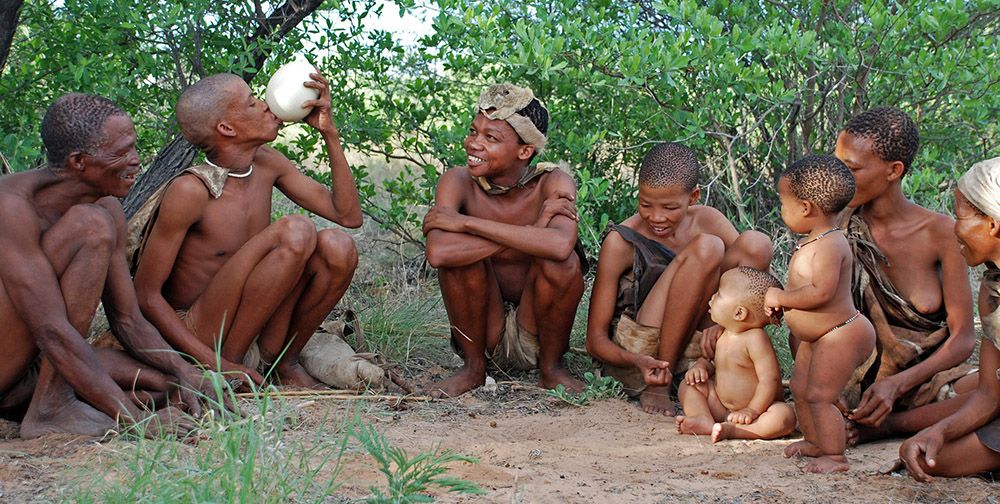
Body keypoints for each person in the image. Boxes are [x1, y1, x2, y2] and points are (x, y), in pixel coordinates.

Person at [132, 71, 361, 389]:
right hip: (202, 334)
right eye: (253, 103)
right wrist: (216, 363)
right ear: (226, 128)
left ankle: (283, 364)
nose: (267, 105)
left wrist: (329, 132)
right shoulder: (191, 190)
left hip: (256, 322)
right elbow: (146, 296)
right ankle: (234, 370)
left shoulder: (267, 163)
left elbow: (348, 215)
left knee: (339, 246)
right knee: (296, 230)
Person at [0, 94, 210, 439]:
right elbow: (51, 330)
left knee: (168, 385)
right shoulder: (12, 207)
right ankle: (52, 408)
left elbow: (127, 319)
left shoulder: (107, 207)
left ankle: (56, 402)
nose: (136, 160)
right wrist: (137, 422)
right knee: (90, 225)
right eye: (123, 151)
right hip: (12, 362)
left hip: (35, 367)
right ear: (79, 161)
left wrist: (185, 370)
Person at [585, 142, 772, 415]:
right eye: (645, 204)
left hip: (698, 339)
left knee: (756, 243)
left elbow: (751, 284)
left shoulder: (708, 219)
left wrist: (724, 325)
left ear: (693, 196)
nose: (656, 217)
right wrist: (636, 360)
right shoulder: (620, 240)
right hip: (645, 349)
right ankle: (661, 382)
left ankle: (722, 361)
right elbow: (595, 339)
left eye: (670, 207)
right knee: (708, 248)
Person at [422, 83, 584, 398]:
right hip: (485, 330)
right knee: (460, 260)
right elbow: (439, 253)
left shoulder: (553, 182)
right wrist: (533, 229)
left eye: (491, 138)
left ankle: (551, 369)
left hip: (534, 330)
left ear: (525, 151)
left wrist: (466, 223)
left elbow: (560, 246)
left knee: (564, 264)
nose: (474, 144)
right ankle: (473, 369)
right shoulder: (458, 182)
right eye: (473, 132)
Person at [832, 107, 977, 441]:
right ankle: (855, 415)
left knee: (993, 390)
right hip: (853, 380)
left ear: (893, 170)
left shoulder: (940, 233)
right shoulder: (835, 226)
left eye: (851, 168)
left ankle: (887, 427)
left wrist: (897, 384)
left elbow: (963, 339)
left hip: (922, 379)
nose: (838, 176)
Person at [766, 155, 876, 473]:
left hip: (842, 332)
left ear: (805, 208)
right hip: (818, 336)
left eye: (783, 203)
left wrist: (781, 297)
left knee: (820, 395)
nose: (781, 210)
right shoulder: (813, 240)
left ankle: (835, 456)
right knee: (800, 388)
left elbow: (821, 292)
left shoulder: (830, 244)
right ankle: (815, 442)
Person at [899, 157, 1000, 481]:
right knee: (935, 458)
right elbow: (989, 394)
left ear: (992, 224)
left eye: (960, 217)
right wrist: (938, 432)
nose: (955, 229)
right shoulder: (992, 290)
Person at [675, 267, 796, 443]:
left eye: (719, 294)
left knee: (784, 417)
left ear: (739, 313)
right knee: (688, 386)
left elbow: (770, 380)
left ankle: (738, 431)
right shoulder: (722, 334)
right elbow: (714, 363)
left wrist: (752, 410)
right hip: (721, 405)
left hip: (758, 411)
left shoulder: (756, 339)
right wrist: (701, 367)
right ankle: (703, 419)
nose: (712, 297)